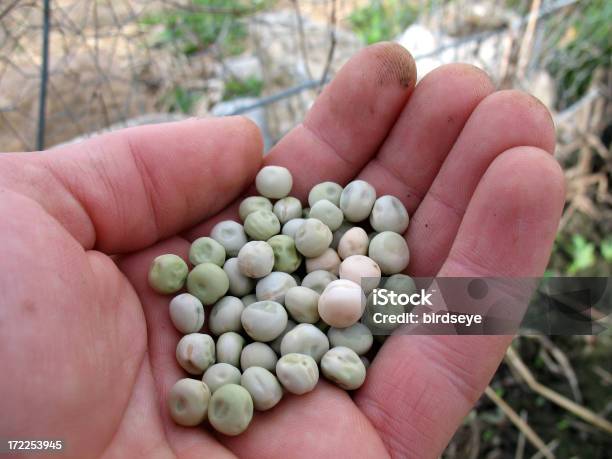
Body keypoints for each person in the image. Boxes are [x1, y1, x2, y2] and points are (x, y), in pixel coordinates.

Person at [0, 42, 564, 458]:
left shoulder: (320, 259)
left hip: (288, 308)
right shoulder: (250, 286)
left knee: (472, 299)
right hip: (257, 322)